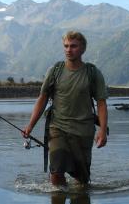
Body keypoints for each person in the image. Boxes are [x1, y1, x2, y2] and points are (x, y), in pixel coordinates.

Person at [23, 30, 108, 186]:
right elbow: (42, 99)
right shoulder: (55, 71)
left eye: (73, 46)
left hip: (84, 131)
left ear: (83, 48)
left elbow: (101, 103)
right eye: (66, 46)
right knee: (56, 171)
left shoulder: (92, 73)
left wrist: (102, 130)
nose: (69, 50)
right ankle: (58, 194)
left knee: (81, 181)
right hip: (57, 128)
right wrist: (30, 125)